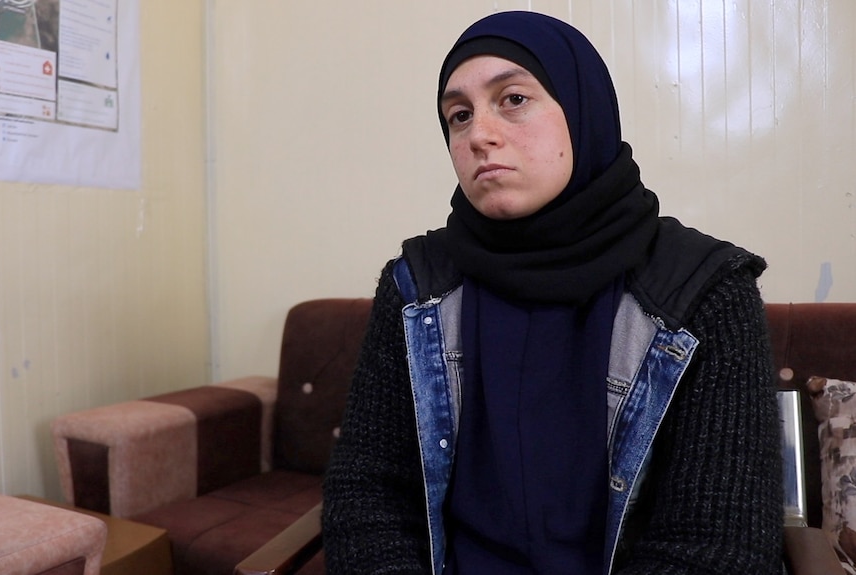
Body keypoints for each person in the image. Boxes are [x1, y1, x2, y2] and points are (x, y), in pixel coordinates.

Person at [322, 10, 783, 575]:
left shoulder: (705, 293)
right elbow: (367, 494)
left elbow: (717, 546)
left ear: (583, 109)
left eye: (513, 99)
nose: (479, 135)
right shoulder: (417, 287)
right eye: (459, 116)